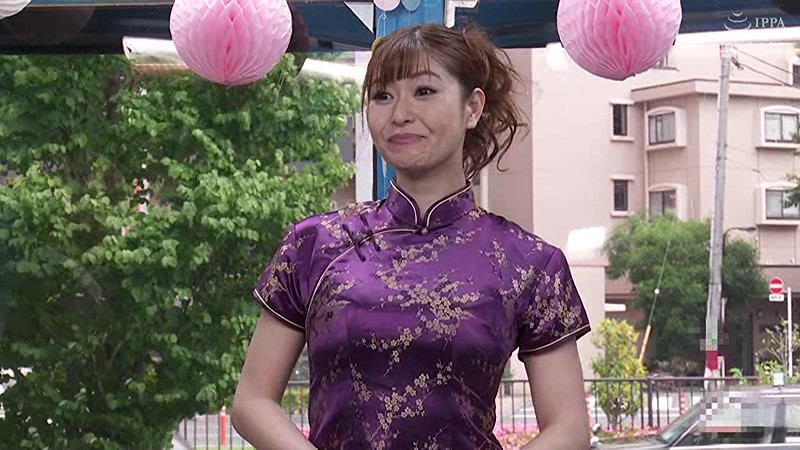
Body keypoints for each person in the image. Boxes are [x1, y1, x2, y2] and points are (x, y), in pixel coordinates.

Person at [232, 23, 592, 450]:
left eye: (424, 91)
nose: (399, 113)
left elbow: (569, 427)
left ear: (473, 107)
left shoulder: (529, 263)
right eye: (382, 96)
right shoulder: (314, 244)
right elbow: (252, 402)